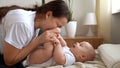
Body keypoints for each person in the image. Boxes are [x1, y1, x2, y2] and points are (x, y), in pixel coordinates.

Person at [0, 0, 69, 68]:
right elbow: (9, 61)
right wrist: (38, 41)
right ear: (48, 15)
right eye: (58, 25)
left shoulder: (36, 25)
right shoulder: (23, 24)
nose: (58, 30)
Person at [27, 33, 96, 67]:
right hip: (37, 54)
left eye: (80, 45)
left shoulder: (71, 58)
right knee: (49, 43)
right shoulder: (69, 50)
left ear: (82, 56)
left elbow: (60, 59)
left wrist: (58, 44)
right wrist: (60, 38)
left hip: (37, 61)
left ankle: (44, 36)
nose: (77, 43)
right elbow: (64, 45)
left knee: (49, 47)